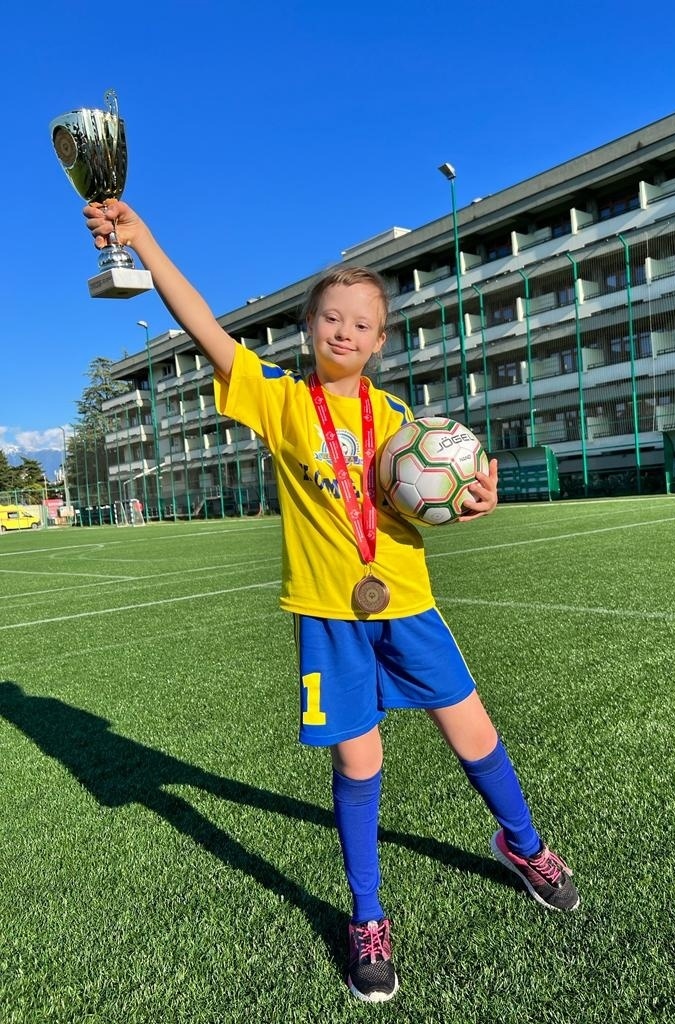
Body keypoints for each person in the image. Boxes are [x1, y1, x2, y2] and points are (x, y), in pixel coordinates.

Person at [84, 199, 580, 1003]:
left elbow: (434, 496)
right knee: (360, 762)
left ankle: (522, 845)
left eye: (361, 324)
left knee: (474, 731)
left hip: (408, 606)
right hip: (328, 615)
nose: (344, 332)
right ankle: (368, 917)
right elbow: (203, 327)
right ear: (309, 328)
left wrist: (474, 500)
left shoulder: (402, 422)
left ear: (382, 342)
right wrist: (143, 243)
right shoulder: (279, 400)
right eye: (330, 318)